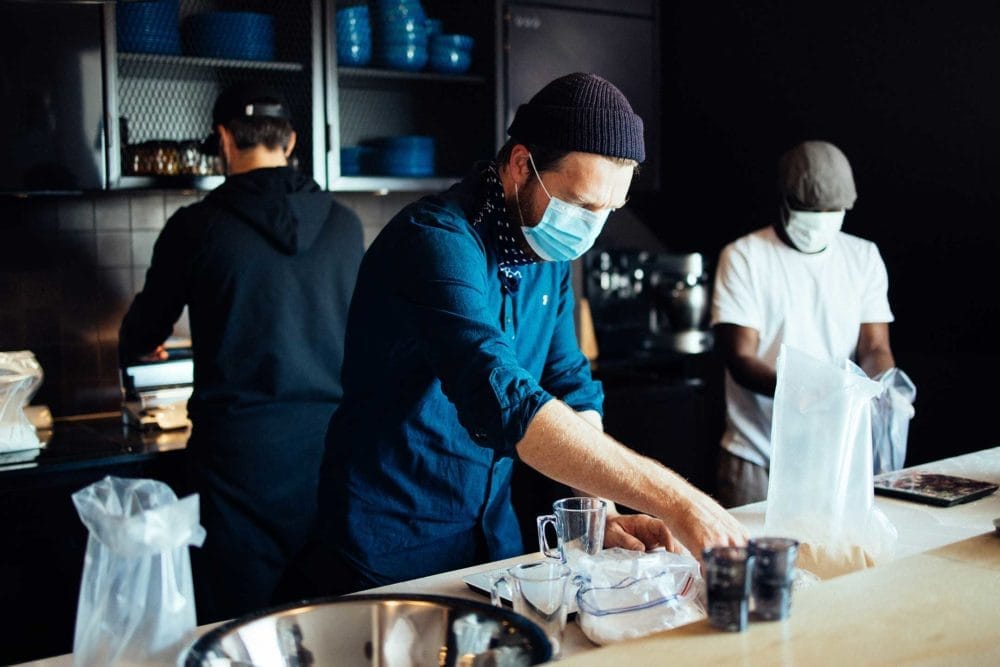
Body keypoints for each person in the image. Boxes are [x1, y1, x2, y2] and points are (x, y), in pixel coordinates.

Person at [284, 72, 746, 597]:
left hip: (490, 544)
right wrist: (681, 501)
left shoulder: (546, 253)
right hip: (388, 548)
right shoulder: (434, 241)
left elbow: (569, 382)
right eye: (583, 206)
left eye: (608, 212)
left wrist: (600, 510)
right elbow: (504, 398)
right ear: (522, 166)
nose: (590, 228)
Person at [118, 82, 365, 622]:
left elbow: (143, 332)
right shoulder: (346, 226)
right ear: (292, 141)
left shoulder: (196, 227)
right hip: (329, 460)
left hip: (237, 469)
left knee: (235, 631)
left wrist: (142, 344)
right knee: (325, 628)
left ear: (224, 140)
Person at [710, 139, 897, 508]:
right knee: (753, 563)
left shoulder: (863, 256)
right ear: (784, 203)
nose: (822, 218)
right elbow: (741, 358)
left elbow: (875, 347)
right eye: (811, 210)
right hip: (758, 455)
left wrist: (880, 386)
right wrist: (806, 390)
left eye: (832, 209)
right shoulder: (745, 256)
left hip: (835, 454)